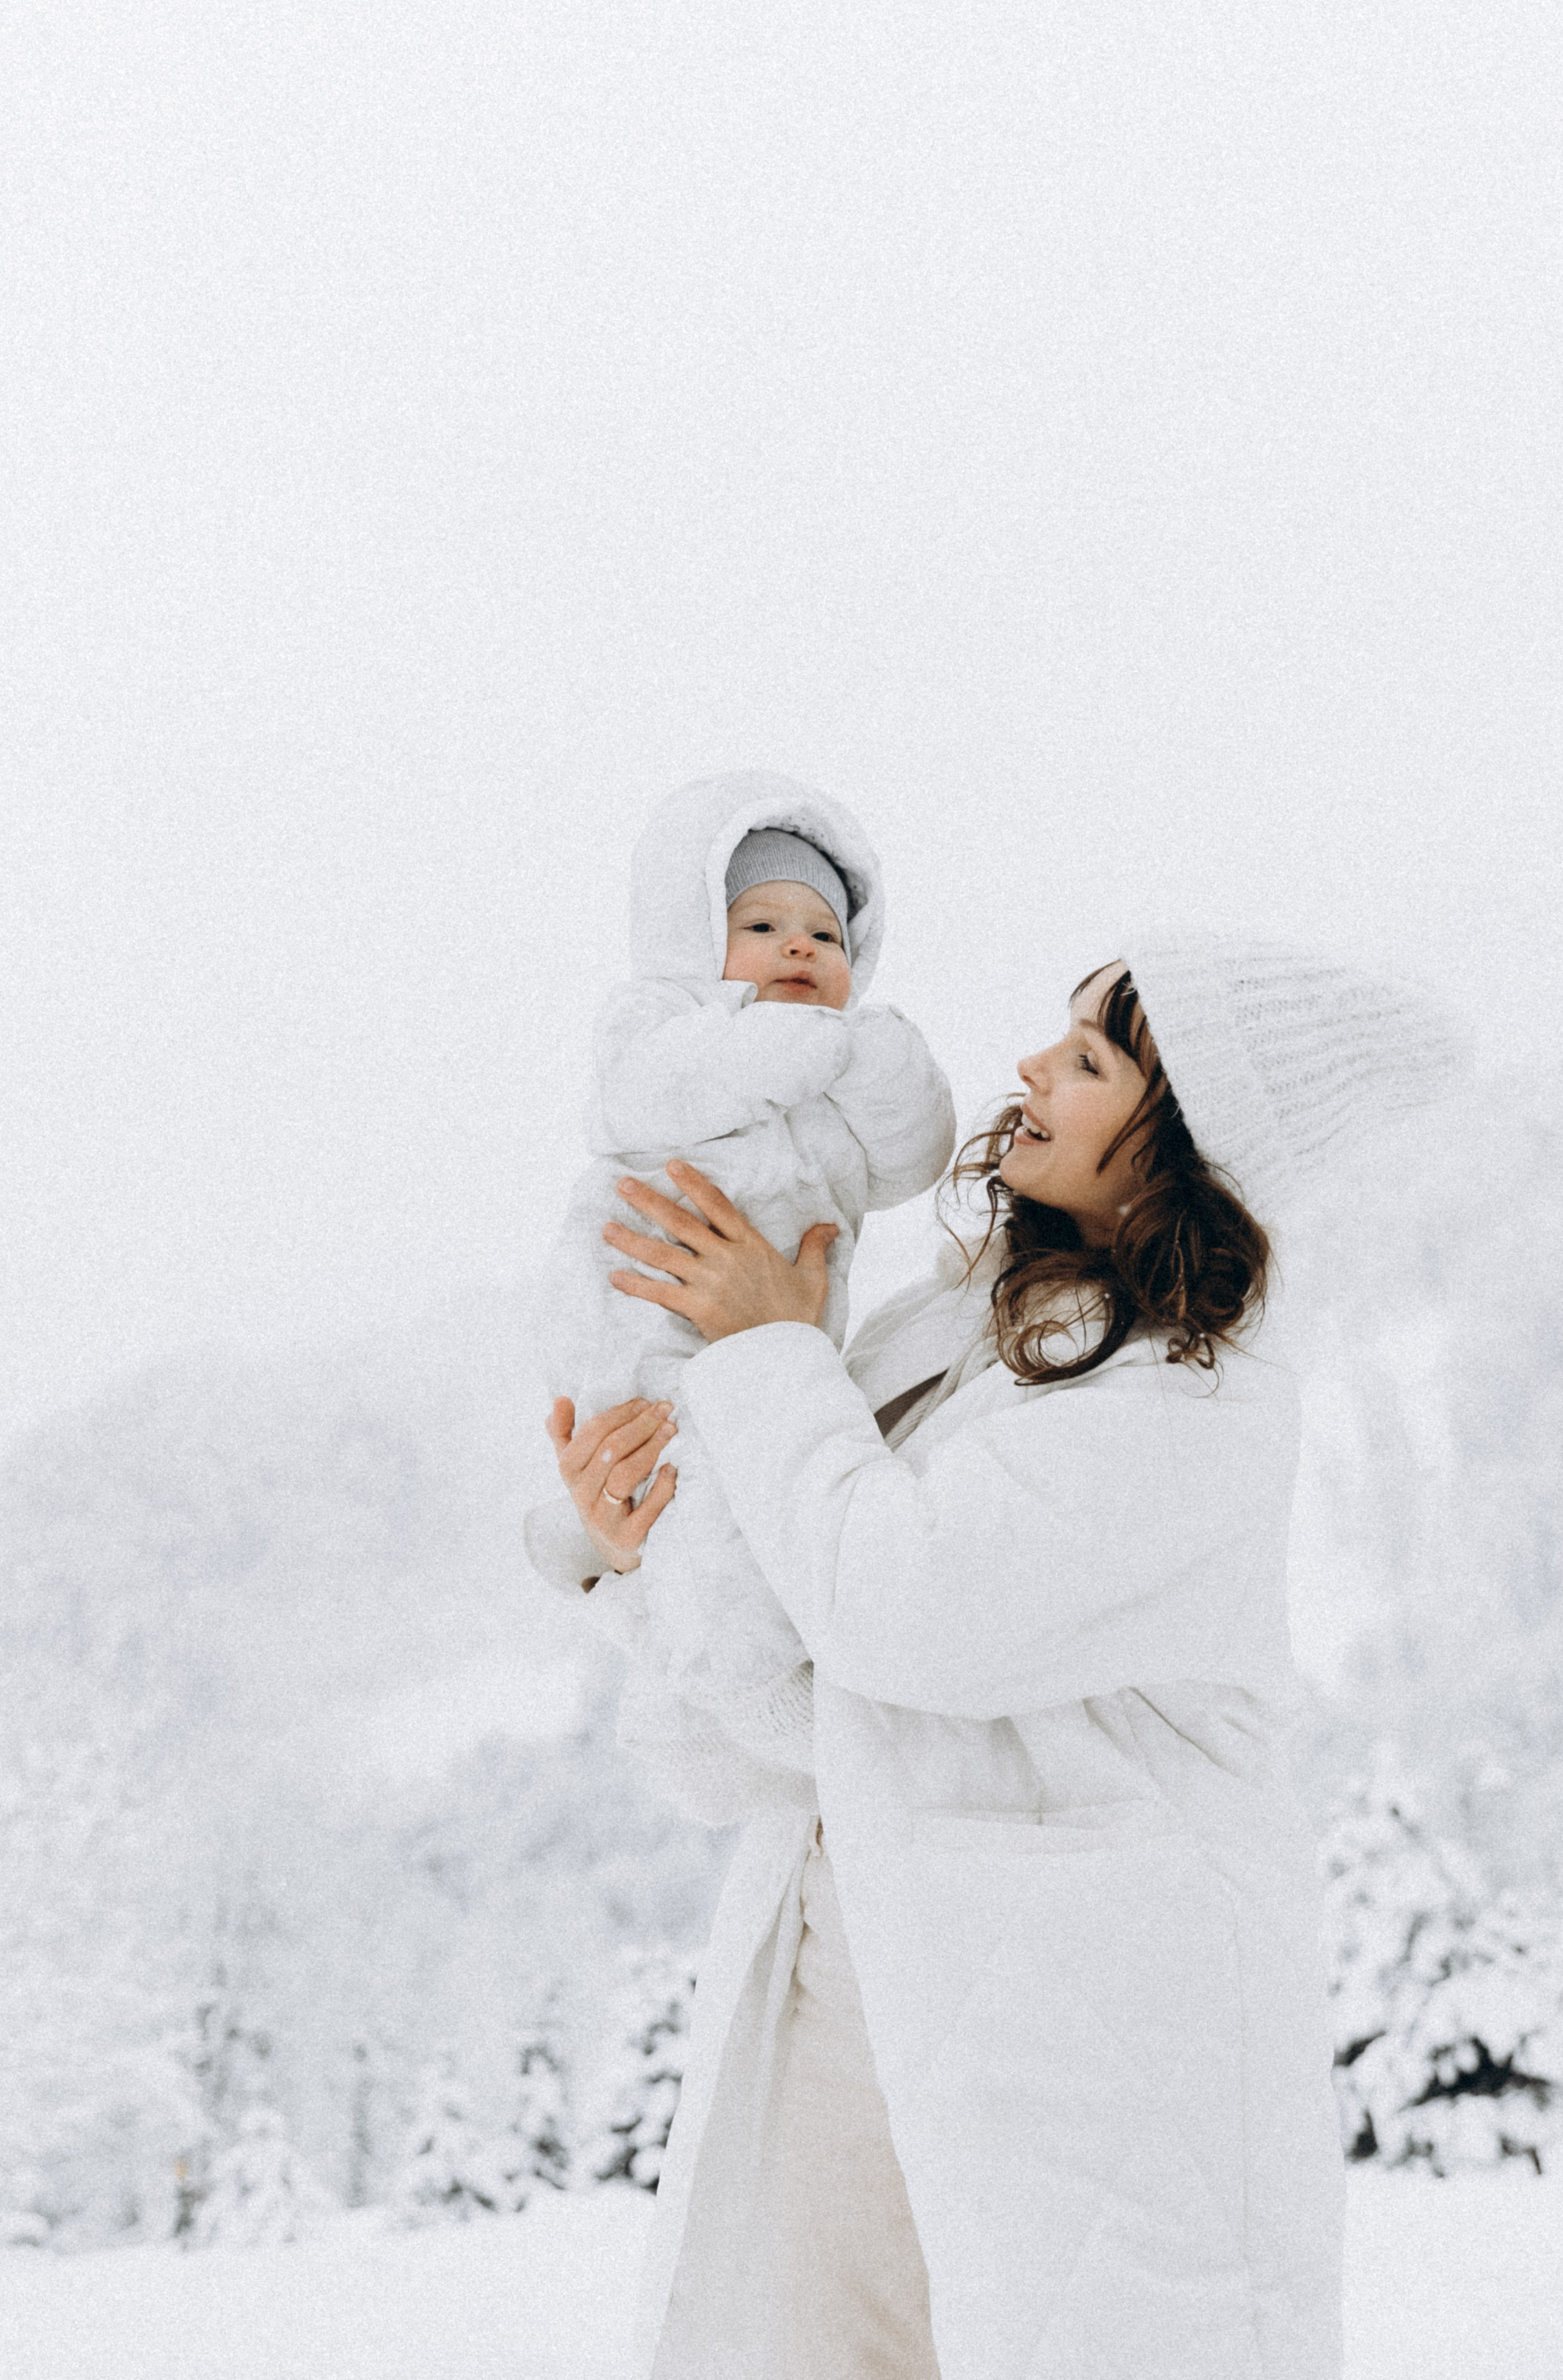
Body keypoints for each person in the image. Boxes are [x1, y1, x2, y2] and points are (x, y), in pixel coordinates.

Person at [535, 932, 1466, 2380]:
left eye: (1088, 1062)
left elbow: (895, 1613)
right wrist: (634, 1544)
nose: (1029, 1068)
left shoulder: (1189, 1401)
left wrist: (767, 1352)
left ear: (1181, 1152)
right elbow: (780, 1712)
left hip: (1084, 2050)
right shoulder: (966, 1333)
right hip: (860, 1996)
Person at [535, 768, 954, 1767]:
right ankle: (738, 1682)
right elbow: (668, 1089)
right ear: (693, 944)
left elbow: (915, 1152)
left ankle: (768, 1687)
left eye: (827, 934)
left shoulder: (828, 1103)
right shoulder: (657, 1031)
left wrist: (872, 1055)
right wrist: (805, 1042)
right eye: (760, 927)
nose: (800, 947)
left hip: (764, 1346)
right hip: (641, 1321)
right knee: (680, 1502)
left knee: (750, 1508)